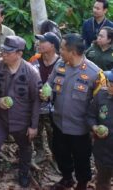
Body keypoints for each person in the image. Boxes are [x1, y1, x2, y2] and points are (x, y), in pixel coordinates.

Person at [0, 36, 41, 190]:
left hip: (22, 121)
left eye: (8, 52)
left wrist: (34, 125)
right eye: (3, 50)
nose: (3, 54)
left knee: (25, 149)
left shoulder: (31, 73)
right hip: (1, 119)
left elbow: (37, 100)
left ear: (19, 53)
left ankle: (24, 174)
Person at [42, 33, 104, 190]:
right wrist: (45, 92)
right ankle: (67, 178)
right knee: (60, 153)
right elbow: (49, 84)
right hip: (58, 122)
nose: (59, 51)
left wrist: (97, 126)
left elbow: (101, 103)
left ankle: (82, 183)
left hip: (80, 128)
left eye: (62, 48)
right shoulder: (60, 65)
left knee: (81, 158)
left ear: (73, 52)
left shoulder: (94, 73)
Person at [32, 32, 61, 160]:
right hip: (37, 103)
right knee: (36, 129)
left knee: (53, 132)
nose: (39, 44)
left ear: (53, 46)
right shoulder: (34, 60)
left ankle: (56, 155)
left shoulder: (61, 63)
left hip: (55, 106)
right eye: (39, 41)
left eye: (43, 42)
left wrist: (51, 95)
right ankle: (40, 152)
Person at [87, 69, 113, 190]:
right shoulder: (101, 95)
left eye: (112, 84)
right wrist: (95, 127)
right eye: (109, 82)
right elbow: (90, 116)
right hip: (102, 151)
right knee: (102, 182)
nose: (109, 86)